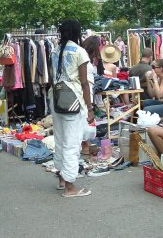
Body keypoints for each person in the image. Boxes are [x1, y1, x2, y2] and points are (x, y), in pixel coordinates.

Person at [51, 20, 94, 197]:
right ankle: (70, 187)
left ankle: (62, 178)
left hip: (55, 98)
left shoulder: (55, 50)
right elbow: (84, 82)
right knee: (72, 143)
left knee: (60, 140)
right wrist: (90, 108)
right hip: (73, 100)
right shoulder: (79, 51)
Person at [80, 35, 104, 155]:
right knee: (86, 118)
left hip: (85, 90)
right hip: (85, 91)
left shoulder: (83, 57)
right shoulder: (86, 61)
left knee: (84, 119)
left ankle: (85, 145)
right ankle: (85, 145)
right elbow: (85, 82)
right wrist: (90, 106)